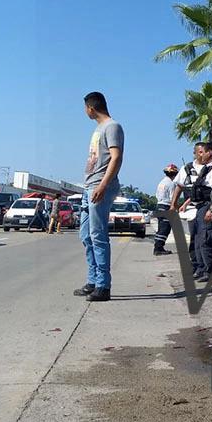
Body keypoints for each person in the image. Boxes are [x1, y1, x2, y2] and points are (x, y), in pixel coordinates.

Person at [74, 92, 123, 302]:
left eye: (85, 108)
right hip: (89, 186)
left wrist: (103, 185)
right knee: (86, 235)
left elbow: (117, 157)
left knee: (98, 236)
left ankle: (103, 286)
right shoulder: (98, 129)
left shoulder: (112, 126)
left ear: (90, 108)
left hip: (100, 186)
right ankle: (93, 280)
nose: (85, 112)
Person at [191, 142, 212, 282]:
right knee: (199, 240)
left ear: (209, 152)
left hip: (208, 206)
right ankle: (203, 268)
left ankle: (210, 272)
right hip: (201, 207)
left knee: (207, 238)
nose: (200, 156)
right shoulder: (208, 168)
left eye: (201, 152)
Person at [171, 144, 204, 273]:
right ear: (195, 153)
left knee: (204, 238)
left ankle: (205, 266)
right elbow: (179, 186)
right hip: (190, 210)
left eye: (204, 152)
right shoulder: (187, 169)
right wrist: (174, 204)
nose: (202, 154)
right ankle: (195, 263)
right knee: (194, 236)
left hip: (205, 207)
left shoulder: (210, 168)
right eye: (199, 152)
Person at [153, 164, 178, 255]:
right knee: (165, 229)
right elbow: (173, 198)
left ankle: (158, 246)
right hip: (166, 206)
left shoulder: (162, 182)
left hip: (159, 206)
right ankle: (158, 248)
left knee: (161, 228)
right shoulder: (171, 184)